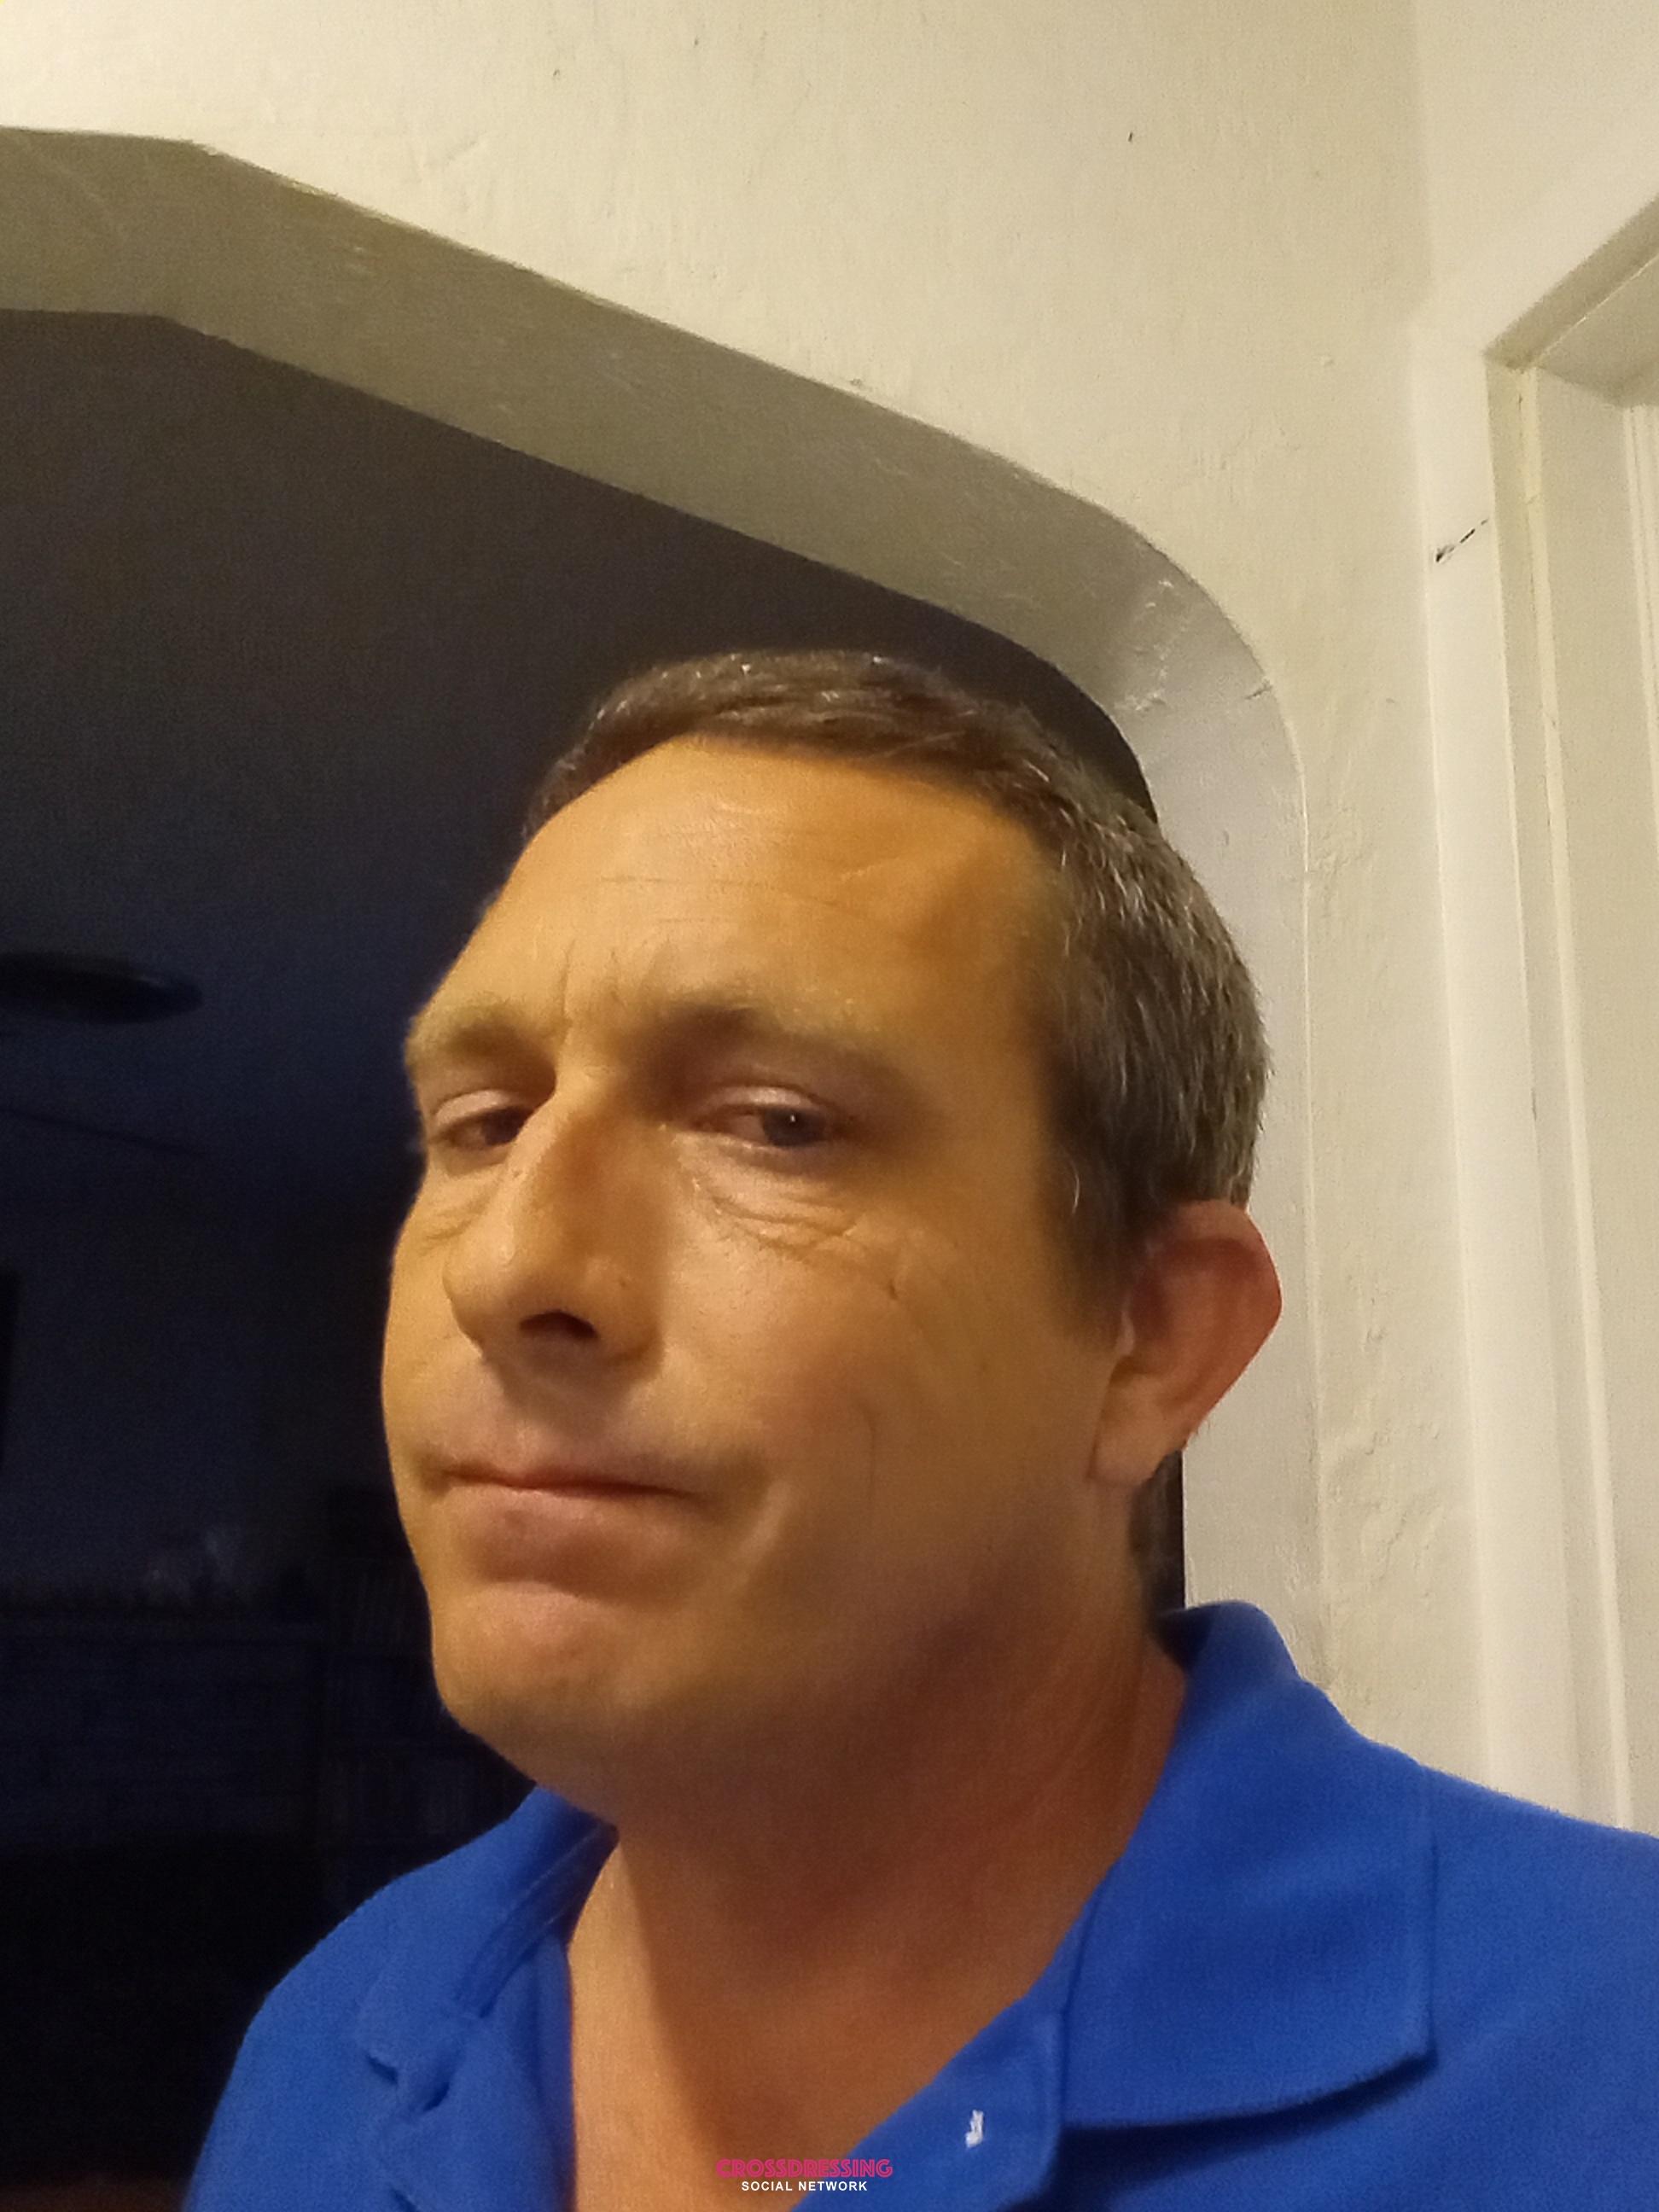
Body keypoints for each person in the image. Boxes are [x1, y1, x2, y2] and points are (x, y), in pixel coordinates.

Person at [185, 650, 1659, 2212]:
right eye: (482, 1124)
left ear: (1150, 1339)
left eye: (777, 1125)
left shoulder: (1606, 2065)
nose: (507, 1269)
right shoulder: (333, 2043)